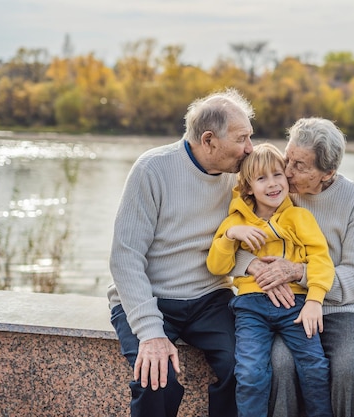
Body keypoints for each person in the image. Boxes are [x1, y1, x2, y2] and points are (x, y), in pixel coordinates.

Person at [107, 88, 254, 417]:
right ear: (209, 140)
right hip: (152, 296)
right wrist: (150, 332)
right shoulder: (153, 170)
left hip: (209, 298)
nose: (250, 148)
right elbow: (125, 257)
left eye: (250, 137)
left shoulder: (241, 177)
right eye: (242, 138)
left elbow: (243, 242)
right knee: (155, 379)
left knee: (246, 367)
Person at [233, 118, 354, 417]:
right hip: (288, 304)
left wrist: (299, 272)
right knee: (281, 365)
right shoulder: (274, 188)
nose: (286, 172)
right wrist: (253, 266)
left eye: (300, 166)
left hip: (344, 305)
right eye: (288, 158)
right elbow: (230, 241)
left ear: (328, 173)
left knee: (349, 370)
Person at [206, 143, 334, 417]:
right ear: (249, 187)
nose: (273, 184)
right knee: (250, 373)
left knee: (315, 368)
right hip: (251, 308)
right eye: (261, 178)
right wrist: (230, 237)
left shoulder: (299, 218)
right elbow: (217, 266)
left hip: (296, 306)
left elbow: (321, 260)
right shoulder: (235, 223)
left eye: (277, 175)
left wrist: (314, 300)